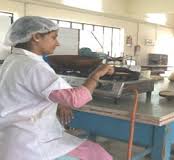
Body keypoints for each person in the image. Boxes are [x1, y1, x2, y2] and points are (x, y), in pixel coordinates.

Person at [0, 16, 114, 160]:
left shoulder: (12, 60)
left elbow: (29, 90)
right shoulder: (34, 66)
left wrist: (59, 101)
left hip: (9, 139)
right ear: (36, 37)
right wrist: (96, 74)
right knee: (99, 155)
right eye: (54, 37)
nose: (57, 43)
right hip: (32, 144)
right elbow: (75, 99)